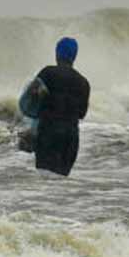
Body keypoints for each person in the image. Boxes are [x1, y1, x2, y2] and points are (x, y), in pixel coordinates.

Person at [28, 37, 90, 176]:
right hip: (70, 138)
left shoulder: (47, 73)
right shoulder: (83, 82)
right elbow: (82, 113)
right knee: (61, 185)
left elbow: (32, 97)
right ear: (74, 56)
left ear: (57, 54)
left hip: (48, 134)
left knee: (45, 180)